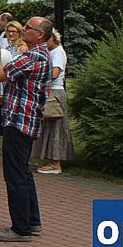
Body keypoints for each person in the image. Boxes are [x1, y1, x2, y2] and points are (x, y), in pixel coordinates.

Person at [0, 16, 53, 242]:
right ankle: (32, 222)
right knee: (23, 172)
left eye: (28, 27)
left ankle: (21, 228)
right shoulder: (41, 55)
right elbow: (27, 89)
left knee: (15, 175)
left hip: (19, 122)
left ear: (40, 34)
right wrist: (4, 100)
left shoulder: (34, 56)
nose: (23, 29)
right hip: (25, 119)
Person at [33, 29, 74, 175]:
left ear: (53, 39)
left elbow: (55, 73)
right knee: (47, 126)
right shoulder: (52, 52)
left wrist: (39, 77)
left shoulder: (57, 52)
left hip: (55, 92)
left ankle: (56, 163)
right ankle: (49, 159)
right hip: (50, 91)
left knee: (56, 126)